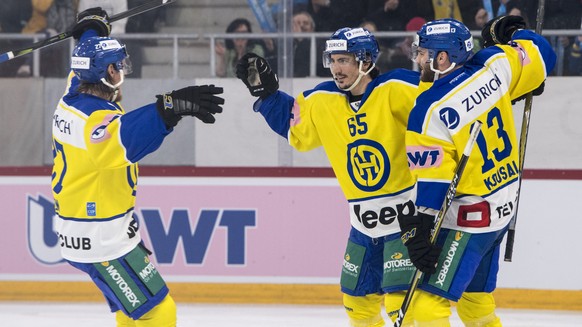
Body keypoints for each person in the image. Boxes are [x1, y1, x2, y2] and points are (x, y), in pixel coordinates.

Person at [235, 27, 430, 327]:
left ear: (365, 60)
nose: (336, 69)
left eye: (344, 60)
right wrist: (269, 94)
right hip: (362, 226)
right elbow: (294, 126)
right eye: (333, 60)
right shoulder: (323, 99)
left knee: (400, 305)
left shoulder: (396, 87)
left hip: (405, 220)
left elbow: (443, 101)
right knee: (357, 304)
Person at [51, 8, 224, 326]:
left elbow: (84, 64)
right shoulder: (93, 122)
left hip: (92, 230)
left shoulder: (72, 94)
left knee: (130, 311)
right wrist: (168, 108)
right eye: (119, 67)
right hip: (100, 237)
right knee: (159, 310)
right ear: (107, 74)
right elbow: (123, 139)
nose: (123, 72)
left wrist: (92, 31)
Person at [399, 17, 556, 325]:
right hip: (503, 210)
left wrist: (419, 231)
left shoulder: (427, 110)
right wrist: (512, 33)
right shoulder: (495, 63)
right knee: (475, 302)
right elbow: (543, 54)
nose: (418, 59)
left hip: (470, 221)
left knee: (426, 307)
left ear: (442, 58)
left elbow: (434, 183)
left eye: (423, 52)